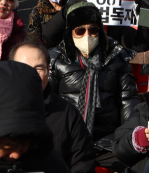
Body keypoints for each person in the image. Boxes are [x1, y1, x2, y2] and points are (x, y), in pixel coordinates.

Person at [49, 1, 138, 170]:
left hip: (106, 140)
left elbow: (128, 100)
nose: (87, 36)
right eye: (80, 30)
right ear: (70, 33)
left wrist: (127, 137)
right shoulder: (57, 59)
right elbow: (48, 102)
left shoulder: (116, 57)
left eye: (93, 29)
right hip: (68, 138)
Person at [10, 38, 95, 173]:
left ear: (48, 71)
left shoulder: (67, 113)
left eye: (39, 68)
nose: (32, 75)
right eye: (24, 68)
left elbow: (83, 162)